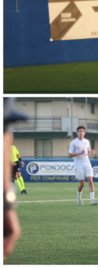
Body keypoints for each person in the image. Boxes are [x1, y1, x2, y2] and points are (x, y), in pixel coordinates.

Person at [4, 99, 27, 261]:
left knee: (17, 176)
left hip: (15, 164)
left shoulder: (12, 147)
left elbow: (17, 155)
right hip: (10, 164)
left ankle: (22, 189)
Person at [69, 126, 97, 206]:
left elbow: (87, 152)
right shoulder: (73, 142)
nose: (81, 133)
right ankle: (78, 197)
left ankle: (92, 200)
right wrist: (79, 153)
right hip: (78, 164)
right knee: (82, 184)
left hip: (87, 163)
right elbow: (70, 154)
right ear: (77, 133)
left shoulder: (87, 141)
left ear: (84, 133)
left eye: (82, 131)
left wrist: (91, 153)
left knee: (90, 181)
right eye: (79, 131)